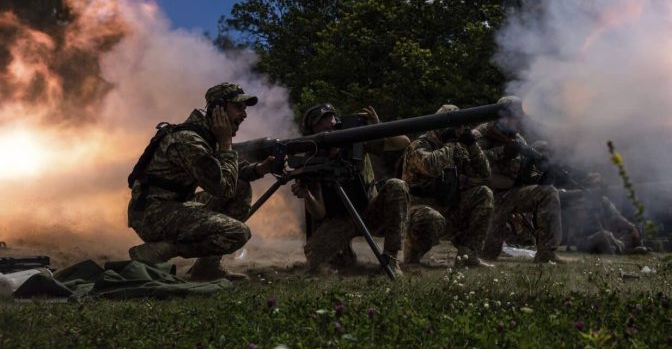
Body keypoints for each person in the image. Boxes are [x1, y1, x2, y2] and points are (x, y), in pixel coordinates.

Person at [127, 82, 276, 281]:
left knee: (241, 186)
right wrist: (226, 144)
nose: (244, 115)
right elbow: (224, 188)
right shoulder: (189, 141)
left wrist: (260, 169)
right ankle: (163, 249)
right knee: (238, 233)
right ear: (217, 109)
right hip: (152, 214)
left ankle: (207, 267)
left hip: (173, 205)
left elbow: (230, 174)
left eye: (245, 109)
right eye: (238, 107)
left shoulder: (205, 136)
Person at [290, 103, 409, 276]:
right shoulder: (310, 162)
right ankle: (344, 255)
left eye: (331, 118)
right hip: (340, 220)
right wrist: (307, 195)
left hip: (370, 211)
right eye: (323, 121)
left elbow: (403, 143)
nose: (331, 123)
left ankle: (390, 260)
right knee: (315, 257)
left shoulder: (357, 143)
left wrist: (378, 126)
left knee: (396, 186)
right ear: (312, 130)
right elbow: (319, 213)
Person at [402, 105, 494, 268]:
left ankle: (468, 255)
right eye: (457, 125)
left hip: (449, 205)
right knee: (430, 217)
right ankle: (412, 255)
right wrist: (450, 144)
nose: (460, 129)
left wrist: (472, 146)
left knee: (484, 194)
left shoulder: (458, 146)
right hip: (420, 206)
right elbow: (432, 167)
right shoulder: (420, 145)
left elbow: (484, 174)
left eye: (462, 126)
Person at [476, 96, 563, 263]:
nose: (518, 122)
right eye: (515, 117)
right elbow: (470, 160)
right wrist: (502, 152)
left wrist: (540, 169)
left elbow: (524, 175)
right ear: (502, 115)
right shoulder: (482, 134)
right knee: (486, 254)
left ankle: (547, 253)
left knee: (548, 193)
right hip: (484, 197)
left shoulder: (517, 139)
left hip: (509, 195)